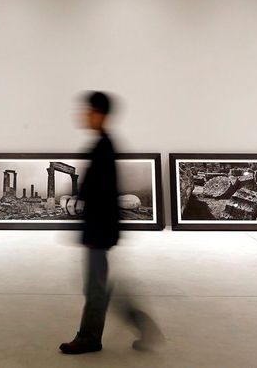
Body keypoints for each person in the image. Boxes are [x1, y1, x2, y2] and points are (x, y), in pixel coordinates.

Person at [59, 91, 164, 355]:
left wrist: (91, 223)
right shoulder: (102, 145)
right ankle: (136, 327)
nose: (84, 115)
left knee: (97, 287)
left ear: (100, 114)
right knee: (98, 286)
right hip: (99, 228)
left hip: (99, 229)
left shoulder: (103, 147)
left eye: (89, 111)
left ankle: (90, 338)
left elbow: (103, 193)